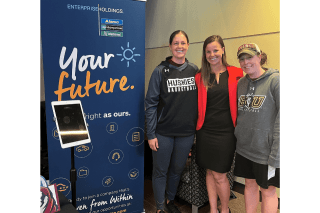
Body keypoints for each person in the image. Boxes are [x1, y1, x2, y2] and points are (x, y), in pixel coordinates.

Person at [145, 30, 198, 213]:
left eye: (183, 43)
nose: (180, 47)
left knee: (177, 170)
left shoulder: (194, 71)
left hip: (186, 133)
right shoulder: (160, 71)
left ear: (188, 46)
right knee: (160, 171)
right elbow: (150, 103)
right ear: (170, 46)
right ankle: (160, 207)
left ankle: (169, 200)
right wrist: (150, 134)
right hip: (163, 132)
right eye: (176, 43)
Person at [195, 35, 243, 213]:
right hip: (205, 131)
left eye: (215, 50)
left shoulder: (237, 73)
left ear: (223, 50)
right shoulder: (199, 77)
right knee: (209, 171)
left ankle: (225, 209)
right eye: (208, 51)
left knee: (220, 174)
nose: (212, 54)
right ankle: (213, 209)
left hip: (226, 132)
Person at [234, 43, 280, 213]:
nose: (246, 62)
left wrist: (277, 152)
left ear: (259, 57)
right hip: (245, 148)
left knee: (268, 190)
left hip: (266, 152)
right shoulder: (241, 83)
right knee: (249, 184)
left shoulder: (275, 81)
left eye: (250, 57)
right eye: (242, 59)